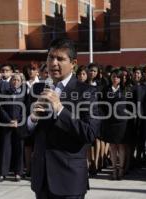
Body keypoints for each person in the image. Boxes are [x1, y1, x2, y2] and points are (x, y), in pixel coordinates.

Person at [24, 38, 100, 198]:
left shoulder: (87, 92)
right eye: (50, 57)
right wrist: (32, 120)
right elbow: (24, 133)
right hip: (41, 178)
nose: (53, 63)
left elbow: (89, 133)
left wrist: (60, 109)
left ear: (73, 63)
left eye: (60, 58)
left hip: (69, 179)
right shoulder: (38, 88)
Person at [0, 73, 26, 182]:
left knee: (19, 148)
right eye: (13, 80)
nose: (15, 82)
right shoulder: (5, 93)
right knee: (6, 148)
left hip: (19, 124)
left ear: (21, 82)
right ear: (10, 81)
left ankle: (18, 173)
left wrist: (18, 121)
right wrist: (9, 120)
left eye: (18, 80)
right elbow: (1, 108)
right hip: (7, 123)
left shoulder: (24, 94)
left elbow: (26, 108)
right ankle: (3, 173)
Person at [101, 69, 128, 180]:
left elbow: (130, 104)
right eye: (113, 76)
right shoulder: (105, 90)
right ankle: (113, 170)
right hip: (110, 121)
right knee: (112, 146)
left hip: (122, 122)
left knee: (121, 146)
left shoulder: (125, 89)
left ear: (120, 78)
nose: (115, 78)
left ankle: (121, 169)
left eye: (117, 77)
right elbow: (102, 104)